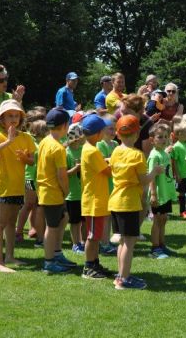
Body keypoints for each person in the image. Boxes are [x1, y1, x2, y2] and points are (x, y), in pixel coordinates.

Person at [109, 115, 163, 289]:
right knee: (129, 242)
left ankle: (120, 275)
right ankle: (124, 280)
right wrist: (155, 172)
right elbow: (143, 180)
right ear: (138, 133)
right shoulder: (137, 155)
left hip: (116, 201)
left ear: (118, 134)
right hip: (128, 202)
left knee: (123, 241)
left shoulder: (116, 151)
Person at [0, 99, 36, 272]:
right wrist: (8, 141)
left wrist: (25, 159)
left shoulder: (26, 137)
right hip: (3, 187)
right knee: (0, 224)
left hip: (17, 186)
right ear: (2, 119)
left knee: (11, 224)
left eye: (16, 115)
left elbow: (31, 161)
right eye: (9, 116)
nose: (14, 119)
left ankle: (9, 256)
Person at [36, 108, 77, 274]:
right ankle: (49, 261)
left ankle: (57, 253)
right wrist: (66, 190)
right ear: (65, 125)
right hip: (53, 192)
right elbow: (62, 175)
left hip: (46, 190)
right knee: (52, 227)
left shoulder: (46, 141)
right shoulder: (58, 148)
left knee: (63, 219)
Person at [80, 114, 112, 279]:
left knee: (96, 235)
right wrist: (119, 160)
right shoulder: (92, 151)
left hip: (96, 199)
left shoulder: (90, 149)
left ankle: (94, 263)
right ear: (97, 134)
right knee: (92, 237)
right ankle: (88, 267)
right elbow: (108, 171)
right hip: (93, 200)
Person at [16, 114, 48, 247]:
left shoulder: (42, 143)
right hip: (30, 178)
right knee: (28, 205)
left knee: (36, 206)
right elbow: (32, 161)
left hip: (38, 178)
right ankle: (18, 231)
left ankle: (34, 230)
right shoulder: (33, 143)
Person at [147, 124, 176, 259]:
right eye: (160, 137)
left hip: (166, 192)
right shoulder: (154, 156)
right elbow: (152, 176)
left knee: (163, 219)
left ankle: (162, 244)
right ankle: (154, 248)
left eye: (165, 137)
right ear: (152, 140)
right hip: (158, 193)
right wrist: (153, 194)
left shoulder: (165, 153)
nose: (164, 139)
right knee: (157, 220)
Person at [95, 115, 119, 255]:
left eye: (115, 129)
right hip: (105, 184)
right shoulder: (100, 145)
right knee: (105, 215)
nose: (113, 132)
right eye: (110, 129)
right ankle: (102, 243)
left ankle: (106, 240)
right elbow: (102, 162)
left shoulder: (115, 144)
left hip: (114, 184)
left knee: (109, 215)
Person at [65, 123, 85, 254]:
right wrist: (76, 168)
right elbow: (64, 174)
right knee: (75, 221)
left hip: (84, 192)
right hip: (72, 194)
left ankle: (83, 242)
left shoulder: (84, 150)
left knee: (84, 220)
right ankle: (75, 243)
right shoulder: (66, 153)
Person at [170, 122, 186, 218]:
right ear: (179, 134)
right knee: (182, 192)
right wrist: (177, 174)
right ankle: (182, 211)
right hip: (182, 175)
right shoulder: (176, 146)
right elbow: (174, 162)